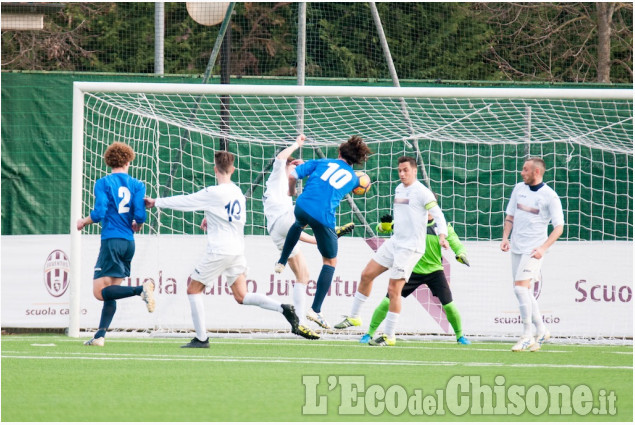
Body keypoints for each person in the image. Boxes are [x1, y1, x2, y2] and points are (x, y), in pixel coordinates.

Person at [145, 150, 314, 348]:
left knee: (193, 289)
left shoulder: (212, 193)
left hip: (219, 250)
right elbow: (235, 219)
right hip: (237, 250)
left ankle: (201, 338)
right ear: (233, 169)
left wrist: (156, 202)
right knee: (241, 296)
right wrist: (211, 217)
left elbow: (185, 200)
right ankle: (283, 308)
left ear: (215, 169)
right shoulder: (237, 193)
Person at [335, 156, 449, 347]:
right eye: (399, 170)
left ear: (414, 170)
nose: (402, 174)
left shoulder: (423, 192)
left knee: (393, 290)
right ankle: (354, 317)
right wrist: (388, 227)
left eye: (405, 170)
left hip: (410, 248)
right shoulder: (398, 189)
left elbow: (438, 215)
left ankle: (389, 336)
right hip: (395, 242)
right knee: (366, 275)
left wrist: (442, 235)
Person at [274, 134, 372, 329]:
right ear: (355, 161)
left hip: (302, 206)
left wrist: (291, 191)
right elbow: (352, 186)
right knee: (330, 261)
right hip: (323, 216)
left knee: (297, 224)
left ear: (339, 152)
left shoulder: (320, 161)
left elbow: (292, 175)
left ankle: (281, 261)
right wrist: (358, 183)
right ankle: (315, 310)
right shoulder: (354, 179)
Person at [78, 141, 155, 347]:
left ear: (109, 161)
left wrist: (84, 221)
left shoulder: (103, 182)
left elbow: (99, 213)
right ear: (128, 160)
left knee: (99, 292)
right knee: (111, 290)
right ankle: (100, 336)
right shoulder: (138, 185)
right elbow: (140, 215)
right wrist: (137, 223)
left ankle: (141, 289)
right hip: (129, 243)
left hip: (111, 241)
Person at [358, 214, 471, 345]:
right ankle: (369, 333)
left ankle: (460, 336)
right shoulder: (410, 221)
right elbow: (383, 228)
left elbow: (455, 242)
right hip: (411, 269)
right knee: (386, 302)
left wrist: (461, 253)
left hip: (435, 272)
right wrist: (384, 226)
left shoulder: (442, 226)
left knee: (449, 306)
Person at [501, 157, 564, 352]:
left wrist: (543, 248)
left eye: (525, 170)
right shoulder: (519, 189)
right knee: (525, 291)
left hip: (534, 250)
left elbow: (559, 227)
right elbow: (510, 216)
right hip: (517, 248)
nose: (522, 172)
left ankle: (527, 335)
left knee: (520, 289)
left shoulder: (549, 196)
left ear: (537, 172)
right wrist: (505, 238)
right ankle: (542, 330)